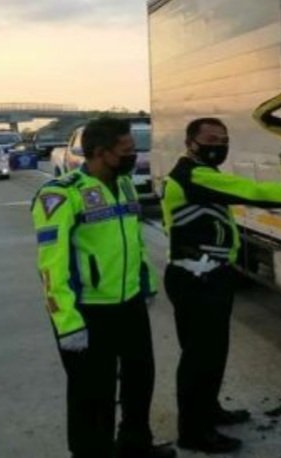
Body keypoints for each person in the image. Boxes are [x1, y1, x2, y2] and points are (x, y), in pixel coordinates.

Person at [162, 118, 281, 453]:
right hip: (195, 279)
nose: (219, 145)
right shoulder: (191, 176)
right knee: (199, 358)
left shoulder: (203, 173)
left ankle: (209, 410)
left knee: (212, 353)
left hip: (208, 275)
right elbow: (252, 191)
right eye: (211, 139)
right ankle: (193, 432)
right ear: (190, 142)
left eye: (223, 139)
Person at [31, 118, 176, 458]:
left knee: (140, 380)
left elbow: (135, 240)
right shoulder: (61, 194)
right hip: (87, 311)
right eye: (126, 150)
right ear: (99, 152)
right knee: (93, 395)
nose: (133, 155)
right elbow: (51, 266)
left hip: (129, 303)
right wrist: (67, 322)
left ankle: (135, 446)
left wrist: (145, 284)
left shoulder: (124, 185)